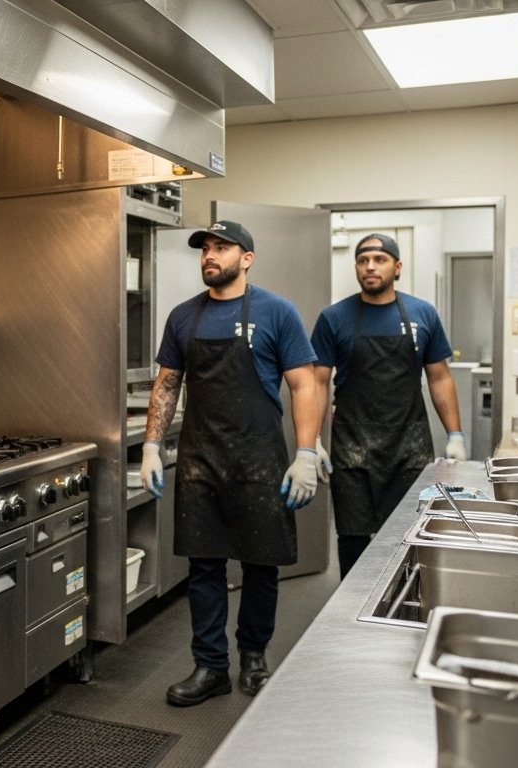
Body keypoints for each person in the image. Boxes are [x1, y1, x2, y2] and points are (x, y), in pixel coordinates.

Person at [138, 220, 322, 707]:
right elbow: (168, 384)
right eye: (205, 249)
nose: (209, 256)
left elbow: (305, 384)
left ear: (247, 258)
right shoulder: (183, 317)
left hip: (260, 459)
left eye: (221, 248)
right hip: (201, 460)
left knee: (261, 566)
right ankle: (210, 666)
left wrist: (306, 451)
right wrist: (151, 445)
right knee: (204, 566)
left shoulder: (277, 312)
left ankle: (255, 658)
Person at [311, 233, 467, 579]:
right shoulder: (334, 318)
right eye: (363, 260)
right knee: (352, 539)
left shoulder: (422, 314)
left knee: (408, 536)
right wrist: (312, 442)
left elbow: (440, 377)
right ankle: (352, 609)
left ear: (397, 267)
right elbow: (317, 382)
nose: (370, 266)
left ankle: (406, 606)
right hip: (351, 450)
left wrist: (454, 434)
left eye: (379, 260)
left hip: (408, 449)